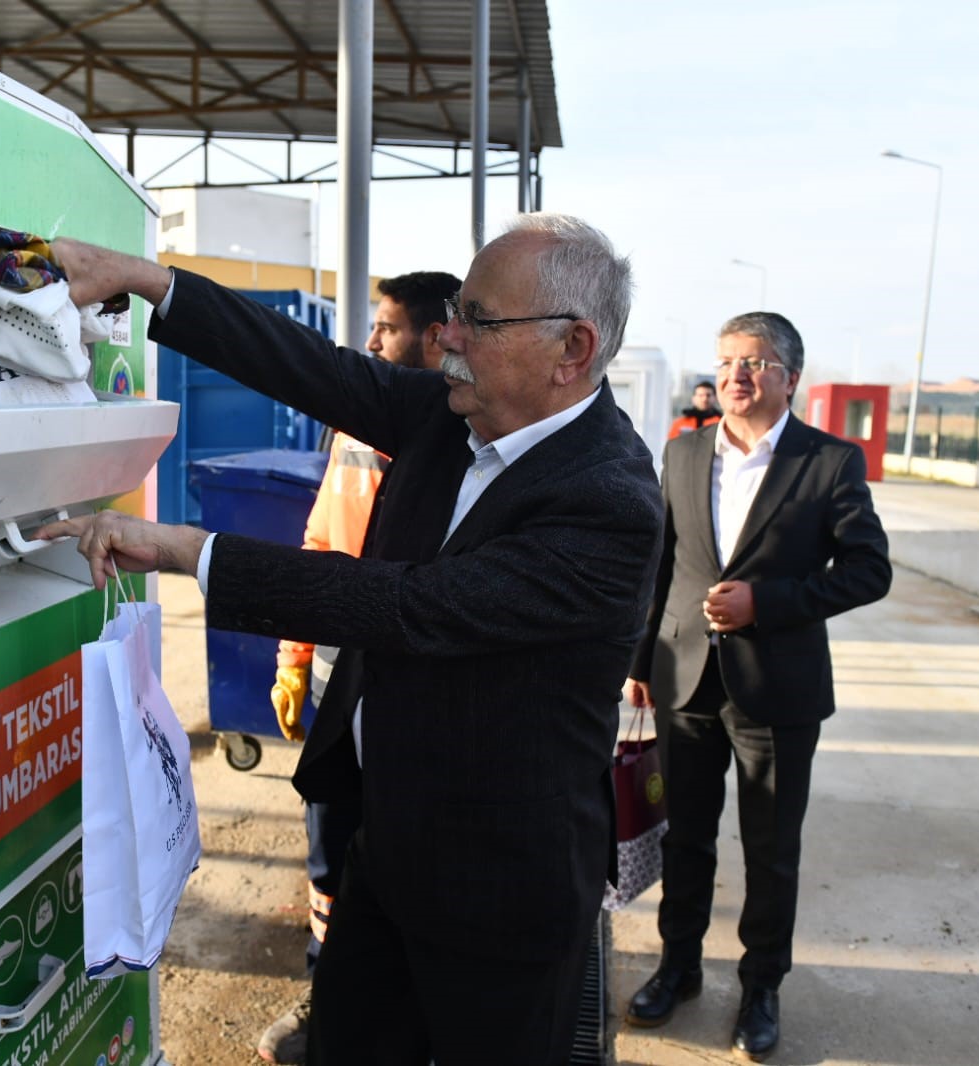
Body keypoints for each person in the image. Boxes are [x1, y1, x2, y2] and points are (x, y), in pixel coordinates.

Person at [43, 213, 663, 1065]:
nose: (448, 336)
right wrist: (148, 281)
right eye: (454, 311)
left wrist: (192, 551)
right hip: (388, 843)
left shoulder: (608, 502)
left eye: (478, 320)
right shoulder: (453, 417)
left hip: (499, 887)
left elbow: (413, 608)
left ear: (572, 349)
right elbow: (314, 368)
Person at [622, 312, 890, 1061]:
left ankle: (761, 986)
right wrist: (640, 661)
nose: (735, 375)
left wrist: (764, 604)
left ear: (789, 377)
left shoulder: (828, 461)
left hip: (778, 688)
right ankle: (677, 968)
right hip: (684, 679)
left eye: (755, 362)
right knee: (686, 839)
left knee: (771, 851)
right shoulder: (682, 451)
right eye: (726, 361)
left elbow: (869, 570)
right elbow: (660, 564)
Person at [261, 270, 459, 1064]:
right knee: (330, 842)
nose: (370, 341)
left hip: (418, 682)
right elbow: (318, 544)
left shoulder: (464, 437)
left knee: (415, 856)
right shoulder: (350, 429)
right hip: (339, 672)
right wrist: (294, 657)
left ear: (435, 336)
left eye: (386, 327)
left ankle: (416, 1016)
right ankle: (327, 998)